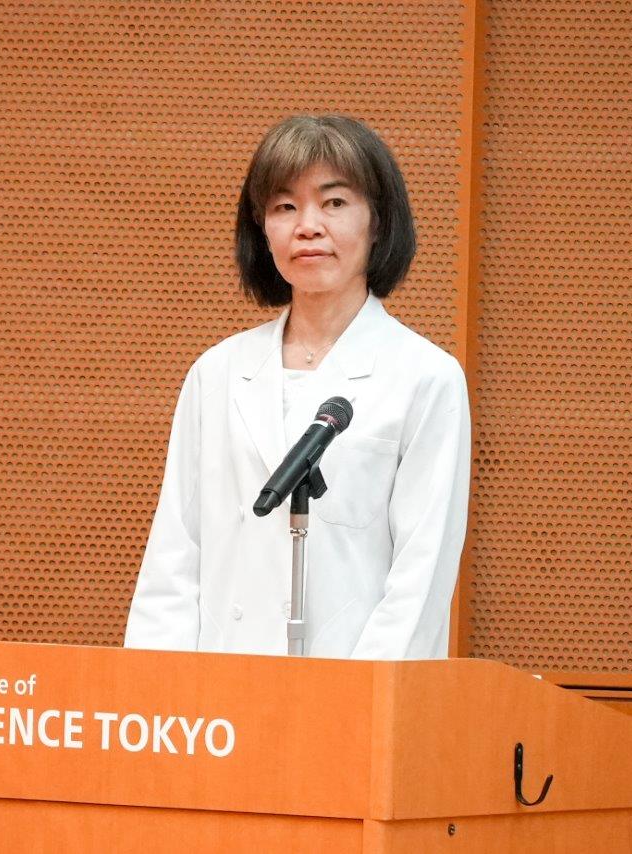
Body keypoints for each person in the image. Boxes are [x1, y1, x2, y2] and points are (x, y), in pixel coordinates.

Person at [124, 114, 470, 659]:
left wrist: (364, 699)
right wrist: (156, 690)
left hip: (350, 686)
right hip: (220, 686)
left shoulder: (424, 377)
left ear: (378, 222)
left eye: (334, 203)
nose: (308, 226)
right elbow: (175, 554)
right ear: (262, 230)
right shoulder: (217, 372)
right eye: (285, 207)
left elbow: (419, 579)